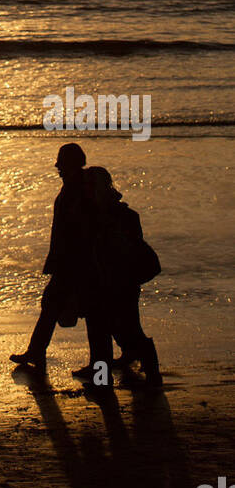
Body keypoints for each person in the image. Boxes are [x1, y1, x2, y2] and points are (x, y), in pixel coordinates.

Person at [72, 166, 162, 388]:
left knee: (126, 331)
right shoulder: (94, 214)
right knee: (102, 332)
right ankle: (103, 378)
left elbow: (127, 250)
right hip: (103, 282)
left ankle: (152, 373)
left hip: (120, 282)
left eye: (89, 185)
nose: (85, 189)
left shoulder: (119, 216)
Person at [10, 142, 88, 369]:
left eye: (61, 162)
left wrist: (66, 260)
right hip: (69, 260)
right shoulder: (74, 186)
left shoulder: (79, 188)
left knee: (87, 311)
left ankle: (36, 352)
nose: (57, 166)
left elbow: (77, 230)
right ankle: (36, 352)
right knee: (56, 305)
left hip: (74, 261)